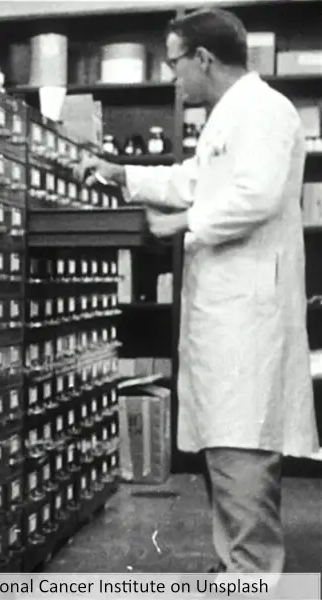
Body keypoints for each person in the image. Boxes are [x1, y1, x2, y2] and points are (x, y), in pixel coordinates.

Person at [75, 7, 319, 575]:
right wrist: (123, 175)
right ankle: (236, 567)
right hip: (226, 316)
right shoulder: (231, 117)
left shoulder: (263, 112)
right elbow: (195, 180)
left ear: (203, 59)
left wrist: (183, 223)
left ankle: (251, 576)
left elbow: (254, 196)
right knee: (228, 450)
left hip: (247, 319)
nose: (173, 76)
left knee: (242, 450)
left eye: (175, 62)